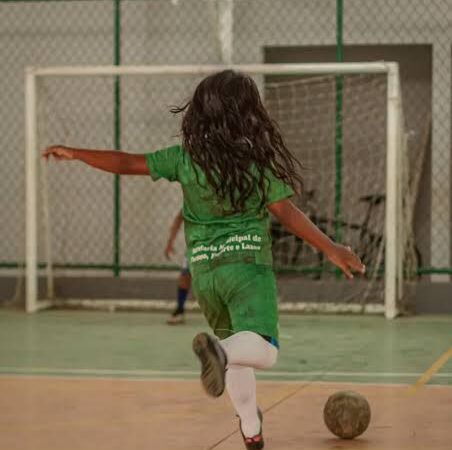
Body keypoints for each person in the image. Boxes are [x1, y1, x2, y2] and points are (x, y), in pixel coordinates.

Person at [43, 69, 365, 450]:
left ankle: (250, 427)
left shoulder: (184, 159)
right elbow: (287, 213)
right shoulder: (255, 165)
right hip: (246, 269)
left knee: (238, 350)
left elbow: (127, 163)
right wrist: (332, 248)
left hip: (205, 274)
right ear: (250, 114)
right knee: (261, 349)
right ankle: (220, 353)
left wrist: (77, 153)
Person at [164, 210, 191, 325]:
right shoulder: (192, 201)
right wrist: (170, 242)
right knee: (185, 275)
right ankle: (180, 309)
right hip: (197, 245)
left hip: (219, 243)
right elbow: (179, 219)